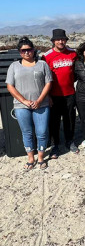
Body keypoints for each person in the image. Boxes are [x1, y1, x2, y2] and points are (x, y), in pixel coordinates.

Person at [6, 37, 52, 170]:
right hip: (21, 106)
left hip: (41, 105)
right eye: (23, 50)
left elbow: (48, 83)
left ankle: (41, 158)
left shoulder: (42, 64)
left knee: (42, 132)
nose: (26, 53)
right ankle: (31, 158)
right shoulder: (14, 66)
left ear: (34, 50)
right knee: (27, 132)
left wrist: (39, 100)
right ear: (19, 52)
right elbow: (10, 86)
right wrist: (24, 101)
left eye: (29, 50)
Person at [42, 28, 79, 158]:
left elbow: (78, 70)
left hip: (70, 93)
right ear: (53, 41)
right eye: (58, 39)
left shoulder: (73, 54)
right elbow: (43, 78)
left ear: (66, 40)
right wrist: (48, 96)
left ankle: (70, 141)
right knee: (54, 121)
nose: (60, 41)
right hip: (54, 96)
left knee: (70, 119)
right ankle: (55, 145)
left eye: (63, 39)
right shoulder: (46, 56)